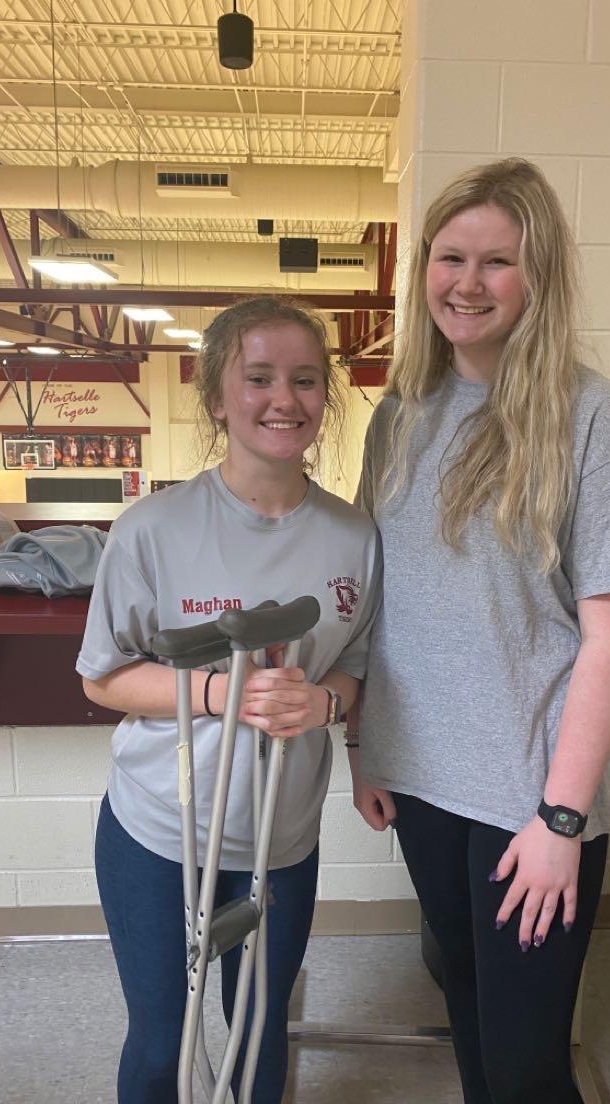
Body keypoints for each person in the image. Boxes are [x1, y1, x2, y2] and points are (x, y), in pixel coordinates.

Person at [350, 158, 610, 1104]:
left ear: (539, 278)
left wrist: (561, 820)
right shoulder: (399, 414)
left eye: (497, 261)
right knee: (469, 1015)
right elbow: (377, 601)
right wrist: (361, 746)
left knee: (528, 1066)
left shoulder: (591, 416)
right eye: (450, 257)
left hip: (529, 796)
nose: (467, 282)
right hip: (417, 777)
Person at [77, 297, 381, 1104]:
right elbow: (102, 677)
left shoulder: (355, 538)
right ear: (217, 396)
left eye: (305, 380)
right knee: (161, 1043)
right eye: (259, 378)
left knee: (258, 1032)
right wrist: (224, 693)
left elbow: (353, 667)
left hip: (281, 837)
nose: (285, 399)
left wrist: (323, 706)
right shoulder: (152, 529)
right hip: (159, 831)